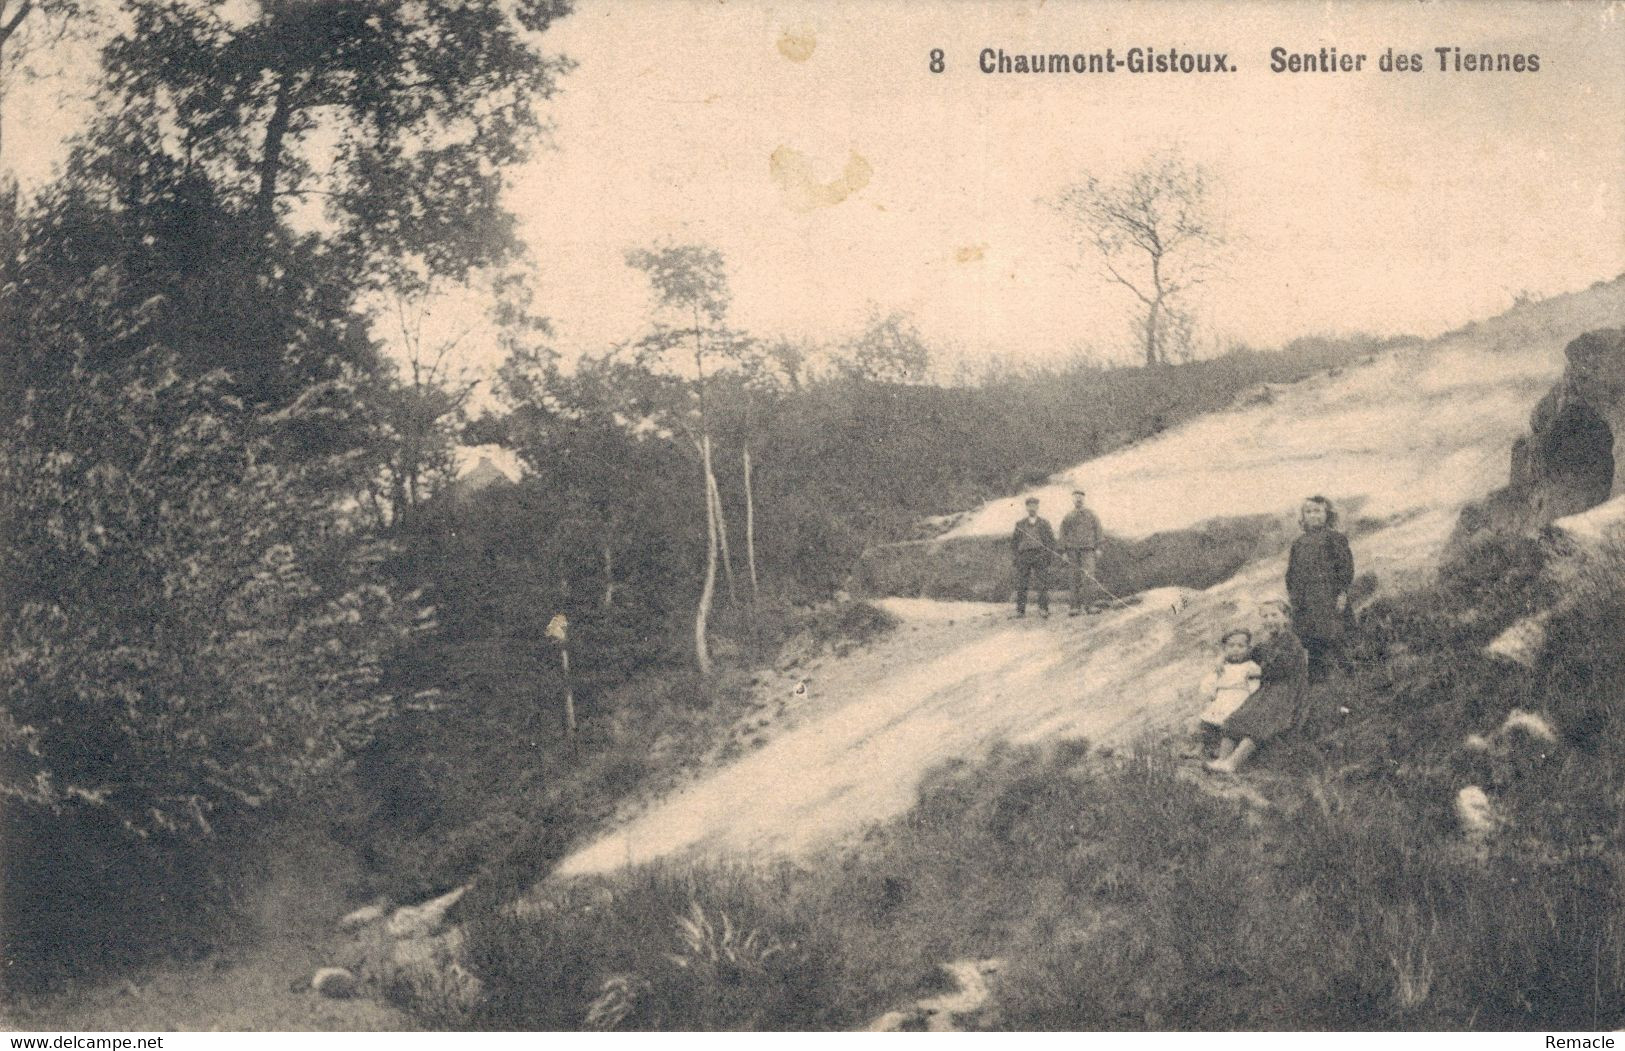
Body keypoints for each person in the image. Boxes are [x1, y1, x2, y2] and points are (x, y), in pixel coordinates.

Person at [1207, 600, 1308, 774]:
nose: (1270, 620)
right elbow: (1246, 653)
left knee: (1258, 721)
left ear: (1286, 617)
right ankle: (1221, 760)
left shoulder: (1291, 641)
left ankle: (1232, 763)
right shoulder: (1269, 642)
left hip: (1287, 692)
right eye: (1265, 616)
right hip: (1269, 690)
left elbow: (1284, 668)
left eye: (1274, 615)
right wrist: (1222, 658)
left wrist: (1258, 672)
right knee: (1237, 717)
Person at [1286, 495, 1356, 682]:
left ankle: (1350, 679)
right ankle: (1318, 684)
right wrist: (1295, 599)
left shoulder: (1335, 538)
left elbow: (1345, 567)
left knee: (1336, 637)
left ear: (1327, 514)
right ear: (1303, 516)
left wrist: (1342, 593)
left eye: (1317, 511)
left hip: (1329, 597)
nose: (1313, 515)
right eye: (1308, 512)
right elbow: (1291, 574)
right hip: (1307, 601)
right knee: (1312, 641)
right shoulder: (1298, 544)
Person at [1192, 628, 1261, 758]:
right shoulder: (1222, 667)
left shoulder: (1250, 667)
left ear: (1248, 648)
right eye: (1231, 646)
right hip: (1221, 699)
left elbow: (1255, 687)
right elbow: (1211, 680)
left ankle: (1221, 750)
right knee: (1207, 723)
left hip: (1238, 700)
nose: (1236, 649)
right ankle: (1201, 748)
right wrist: (1210, 692)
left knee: (1228, 726)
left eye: (1241, 646)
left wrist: (1252, 700)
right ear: (1225, 648)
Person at [1059, 489, 1103, 616]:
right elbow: (1062, 534)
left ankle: (1090, 606)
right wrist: (1063, 552)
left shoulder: (1092, 515)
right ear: (1072, 500)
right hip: (1072, 551)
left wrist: (1099, 547)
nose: (1078, 499)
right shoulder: (1068, 517)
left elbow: (1098, 531)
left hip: (1088, 550)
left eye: (1080, 497)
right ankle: (1074, 607)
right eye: (1076, 497)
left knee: (1089, 577)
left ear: (1084, 499)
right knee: (1074, 578)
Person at [1010, 496, 1056, 618]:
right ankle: (1020, 611)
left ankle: (1043, 609)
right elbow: (1014, 542)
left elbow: (1051, 541)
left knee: (1042, 583)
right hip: (1024, 556)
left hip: (1040, 555)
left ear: (1037, 507)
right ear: (1026, 508)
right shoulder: (1020, 524)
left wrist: (1047, 556)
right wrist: (1017, 557)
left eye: (1034, 505)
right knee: (1022, 583)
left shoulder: (1044, 523)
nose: (1032, 508)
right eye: (1029, 506)